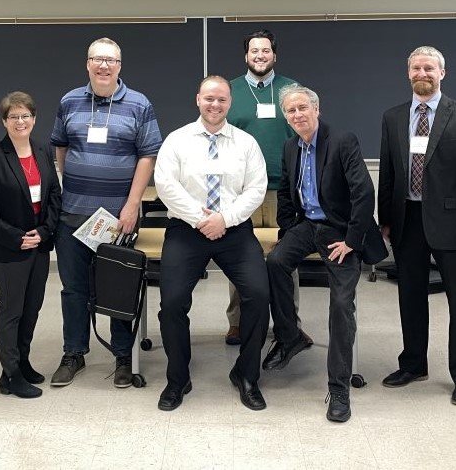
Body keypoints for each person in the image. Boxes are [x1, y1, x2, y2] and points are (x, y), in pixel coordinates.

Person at [49, 37, 162, 389]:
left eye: (110, 60)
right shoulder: (69, 101)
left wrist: (132, 205)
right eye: (97, 59)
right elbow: (61, 150)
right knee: (74, 289)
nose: (103, 66)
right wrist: (77, 183)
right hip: (72, 214)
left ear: (119, 66)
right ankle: (74, 353)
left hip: (118, 217)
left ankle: (123, 355)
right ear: (87, 64)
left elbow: (148, 156)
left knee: (119, 287)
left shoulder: (139, 104)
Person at [378, 46, 456, 406]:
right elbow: (390, 174)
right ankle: (413, 364)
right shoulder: (393, 117)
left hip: (452, 226)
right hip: (407, 221)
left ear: (443, 73)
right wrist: (386, 221)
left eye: (429, 67)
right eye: (416, 67)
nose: (422, 72)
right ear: (407, 73)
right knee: (409, 296)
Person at [265, 83, 380, 423]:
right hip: (306, 225)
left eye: (302, 108)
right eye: (291, 111)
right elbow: (286, 192)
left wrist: (352, 240)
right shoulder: (290, 146)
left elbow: (364, 193)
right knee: (274, 263)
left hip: (339, 230)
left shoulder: (342, 141)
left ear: (317, 109)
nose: (297, 115)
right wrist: (286, 233)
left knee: (342, 304)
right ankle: (290, 337)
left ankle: (339, 388)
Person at [155, 75, 270, 412]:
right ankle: (178, 378)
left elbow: (256, 188)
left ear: (230, 103)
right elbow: (165, 185)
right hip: (186, 230)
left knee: (258, 295)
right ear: (197, 100)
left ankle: (246, 375)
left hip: (234, 230)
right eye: (209, 99)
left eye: (221, 99)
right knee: (172, 303)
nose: (215, 105)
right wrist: (201, 219)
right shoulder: (177, 141)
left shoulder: (246, 143)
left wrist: (225, 219)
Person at [225, 29, 311, 347]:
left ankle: (290, 324)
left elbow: (305, 135)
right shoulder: (230, 92)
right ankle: (238, 323)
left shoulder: (291, 90)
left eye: (265, 50)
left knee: (285, 259)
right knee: (238, 257)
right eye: (253, 51)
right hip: (241, 191)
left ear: (274, 55)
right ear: (246, 56)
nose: (259, 56)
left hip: (285, 191)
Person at [0, 92, 62, 399]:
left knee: (31, 309)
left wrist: (43, 232)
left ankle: (22, 362)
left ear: (34, 119)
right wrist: (17, 237)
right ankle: (10, 374)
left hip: (38, 245)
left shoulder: (41, 151)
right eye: (14, 117)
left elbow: (53, 197)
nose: (20, 121)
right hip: (8, 248)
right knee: (12, 310)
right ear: (4, 121)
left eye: (26, 116)